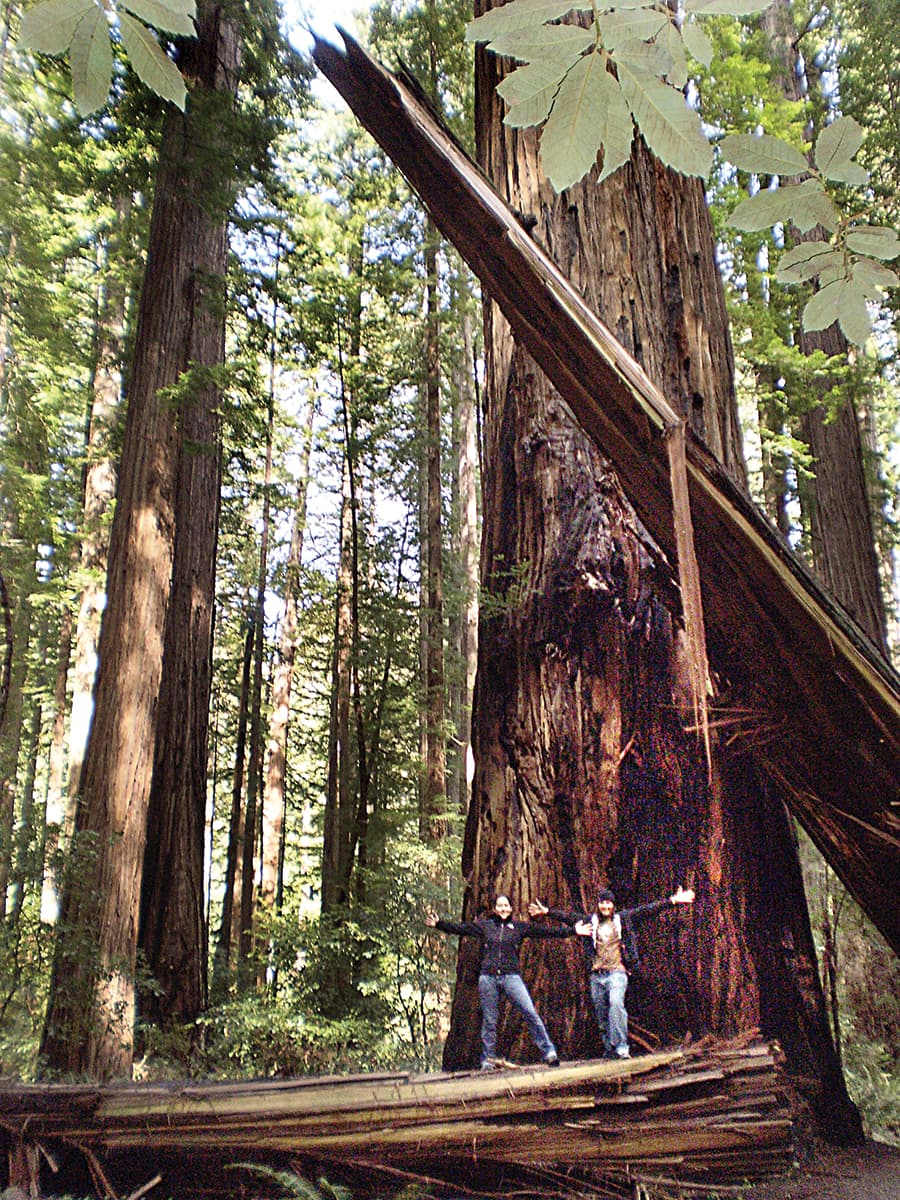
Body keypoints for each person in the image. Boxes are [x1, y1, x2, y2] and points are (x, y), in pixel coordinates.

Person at [528, 885, 695, 1060]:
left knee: (616, 1006)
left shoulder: (622, 919)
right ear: (598, 904)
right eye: (602, 903)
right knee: (602, 1014)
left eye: (608, 903)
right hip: (597, 975)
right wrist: (547, 911)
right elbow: (568, 917)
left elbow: (647, 910)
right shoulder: (590, 921)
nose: (605, 907)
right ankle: (609, 1048)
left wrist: (673, 901)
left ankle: (622, 1047)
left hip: (617, 973)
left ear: (613, 905)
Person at [425, 894, 574, 1070]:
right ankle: (488, 1060)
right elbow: (461, 929)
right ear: (495, 909)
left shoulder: (518, 927)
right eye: (500, 906)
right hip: (488, 978)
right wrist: (439, 924)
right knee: (490, 1020)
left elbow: (545, 932)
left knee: (529, 1012)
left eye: (506, 906)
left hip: (511, 977)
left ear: (511, 908)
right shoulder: (486, 926)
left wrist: (572, 931)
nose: (503, 909)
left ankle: (549, 1052)